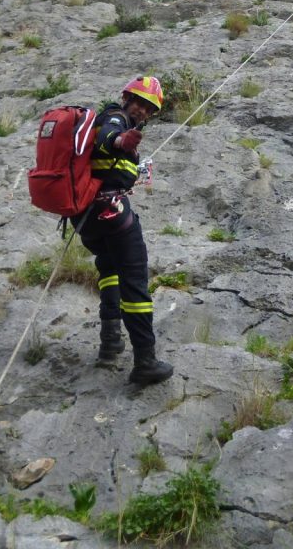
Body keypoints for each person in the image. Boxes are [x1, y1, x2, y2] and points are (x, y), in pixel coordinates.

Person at [72, 76, 174, 386]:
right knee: (135, 277)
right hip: (110, 213)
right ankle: (145, 360)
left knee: (110, 269)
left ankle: (110, 342)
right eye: (139, 102)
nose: (142, 110)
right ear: (126, 97)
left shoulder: (119, 120)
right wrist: (120, 142)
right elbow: (108, 136)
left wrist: (133, 165)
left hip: (86, 219)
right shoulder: (116, 116)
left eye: (148, 107)